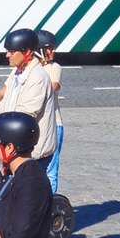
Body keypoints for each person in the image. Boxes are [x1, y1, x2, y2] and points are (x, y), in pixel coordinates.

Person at [0, 28, 59, 166]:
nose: (7, 55)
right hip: (13, 151)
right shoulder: (17, 72)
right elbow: (2, 112)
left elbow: (22, 119)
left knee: (30, 187)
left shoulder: (37, 77)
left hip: (32, 155)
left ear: (28, 52)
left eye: (12, 52)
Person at [37, 29, 66, 195]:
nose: (53, 51)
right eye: (49, 48)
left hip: (54, 125)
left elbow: (54, 85)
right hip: (37, 124)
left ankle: (50, 205)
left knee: (50, 168)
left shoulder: (54, 67)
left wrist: (35, 88)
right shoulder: (29, 68)